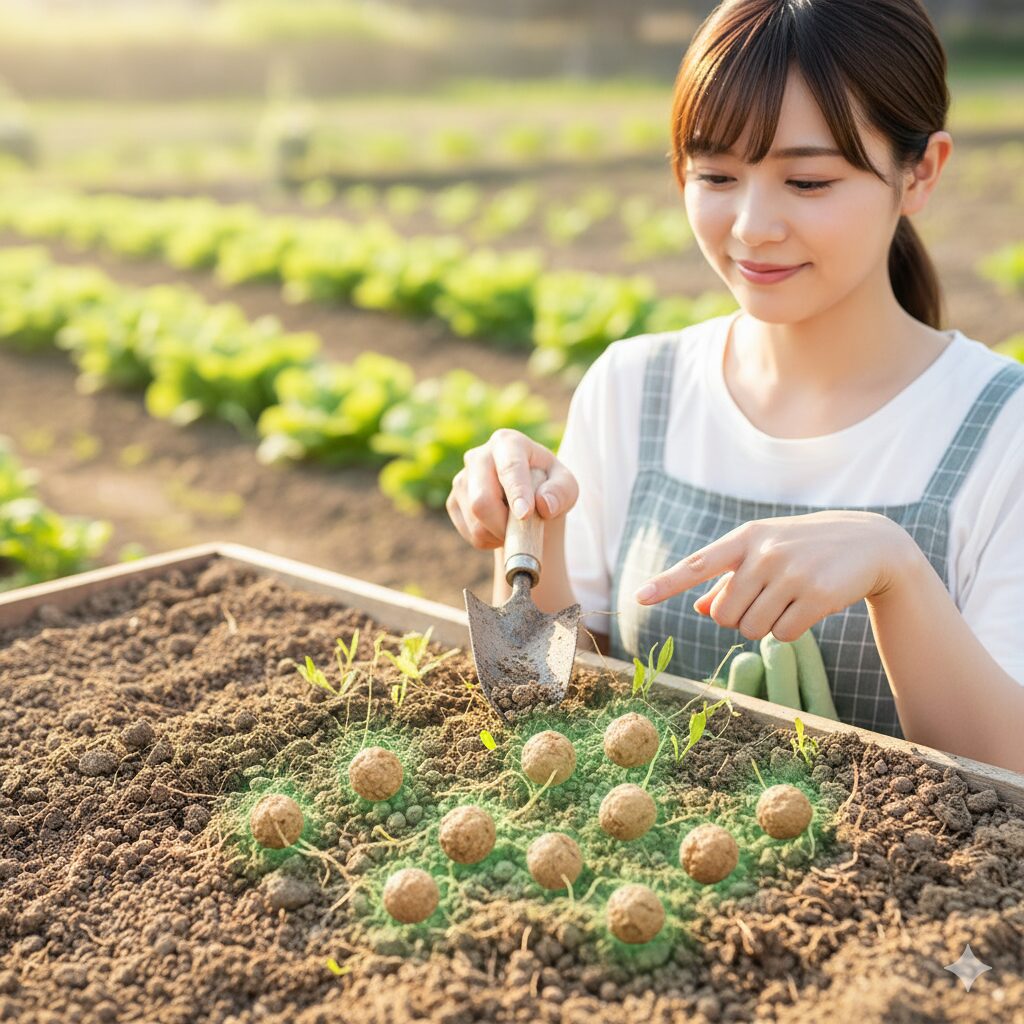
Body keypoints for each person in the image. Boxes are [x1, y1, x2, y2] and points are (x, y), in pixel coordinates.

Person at [445, 0, 1024, 772]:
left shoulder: (1003, 431)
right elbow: (552, 707)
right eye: (717, 175)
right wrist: (531, 524)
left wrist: (898, 571)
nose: (752, 225)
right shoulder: (634, 388)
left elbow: (1010, 775)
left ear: (920, 172)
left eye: (808, 181)